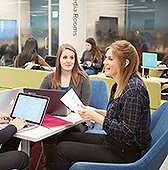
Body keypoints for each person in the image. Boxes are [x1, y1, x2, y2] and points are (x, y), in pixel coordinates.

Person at [54, 40, 151, 170]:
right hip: (114, 142)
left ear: (125, 63)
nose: (105, 62)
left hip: (125, 151)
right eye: (106, 58)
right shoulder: (119, 85)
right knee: (66, 136)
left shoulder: (134, 90)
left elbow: (126, 132)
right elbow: (119, 116)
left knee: (62, 150)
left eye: (110, 59)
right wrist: (96, 111)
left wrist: (94, 116)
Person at [39, 43, 92, 170]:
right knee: (49, 134)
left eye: (71, 58)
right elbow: (40, 101)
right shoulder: (49, 79)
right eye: (65, 57)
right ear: (59, 59)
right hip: (53, 119)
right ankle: (49, 165)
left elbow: (85, 108)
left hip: (78, 121)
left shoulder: (84, 79)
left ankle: (65, 164)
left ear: (75, 60)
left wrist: (66, 123)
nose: (68, 61)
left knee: (72, 132)